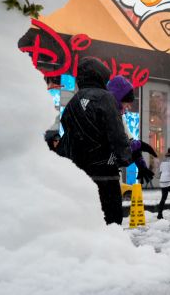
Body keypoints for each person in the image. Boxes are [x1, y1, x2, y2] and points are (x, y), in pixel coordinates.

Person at [59, 58, 132, 225]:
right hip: (105, 173)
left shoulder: (72, 102)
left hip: (81, 175)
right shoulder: (105, 98)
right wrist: (125, 156)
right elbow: (116, 132)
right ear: (101, 76)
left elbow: (67, 133)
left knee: (87, 224)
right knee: (111, 223)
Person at [106, 75, 157, 187]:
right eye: (127, 103)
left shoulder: (120, 117)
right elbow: (118, 144)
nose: (129, 107)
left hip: (111, 173)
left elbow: (129, 139)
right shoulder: (107, 115)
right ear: (118, 99)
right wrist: (138, 145)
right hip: (102, 175)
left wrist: (141, 165)